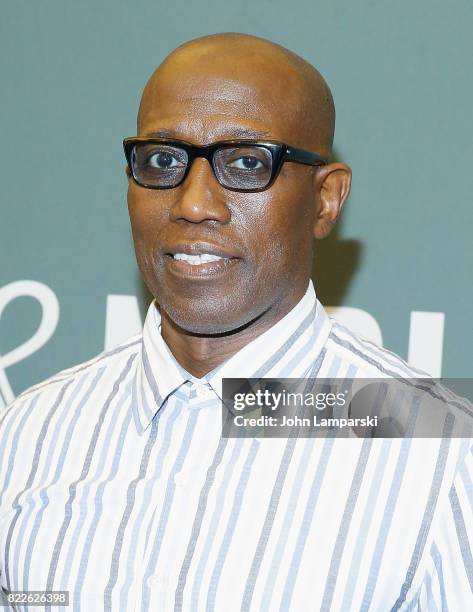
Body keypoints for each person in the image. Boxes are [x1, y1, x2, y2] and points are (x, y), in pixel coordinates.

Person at [0, 33, 471, 611]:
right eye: (162, 161)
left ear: (326, 199)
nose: (194, 203)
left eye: (247, 163)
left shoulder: (443, 454)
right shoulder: (27, 434)